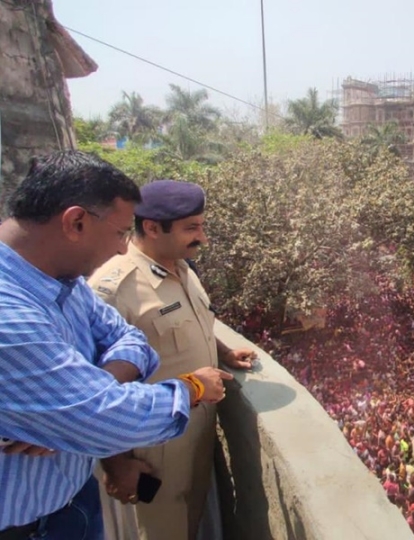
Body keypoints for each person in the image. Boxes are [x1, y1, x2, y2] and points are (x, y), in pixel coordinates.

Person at [0, 151, 232, 540]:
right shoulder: (11, 314)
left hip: (70, 500)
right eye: (121, 232)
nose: (125, 248)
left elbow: (132, 339)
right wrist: (192, 387)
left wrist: (76, 403)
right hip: (24, 527)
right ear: (76, 222)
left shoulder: (63, 282)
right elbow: (104, 419)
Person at [88, 180, 257, 540]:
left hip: (194, 438)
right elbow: (95, 389)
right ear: (151, 227)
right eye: (191, 228)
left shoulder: (181, 268)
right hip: (151, 452)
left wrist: (224, 352)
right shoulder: (115, 288)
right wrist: (117, 465)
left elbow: (189, 324)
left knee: (188, 523)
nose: (203, 238)